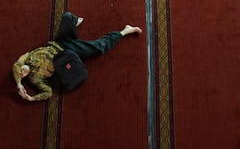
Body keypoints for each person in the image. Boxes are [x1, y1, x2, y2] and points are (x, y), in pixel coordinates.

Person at [12, 12, 142, 101]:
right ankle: (125, 31)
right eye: (22, 75)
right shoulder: (35, 78)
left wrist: (19, 83)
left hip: (59, 42)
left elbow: (16, 65)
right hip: (69, 55)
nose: (22, 72)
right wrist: (31, 98)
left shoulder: (26, 58)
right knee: (99, 47)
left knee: (68, 16)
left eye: (21, 70)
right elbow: (48, 93)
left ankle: (73, 26)